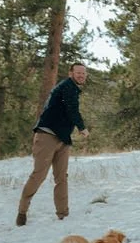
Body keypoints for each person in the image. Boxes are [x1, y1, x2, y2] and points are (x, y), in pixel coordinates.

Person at [16, 62, 90, 227]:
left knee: (61, 177)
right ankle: (22, 212)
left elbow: (68, 110)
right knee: (39, 175)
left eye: (84, 73)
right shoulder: (67, 86)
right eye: (78, 73)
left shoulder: (72, 88)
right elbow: (72, 110)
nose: (81, 76)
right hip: (47, 136)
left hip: (62, 139)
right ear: (70, 73)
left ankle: (63, 214)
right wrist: (82, 127)